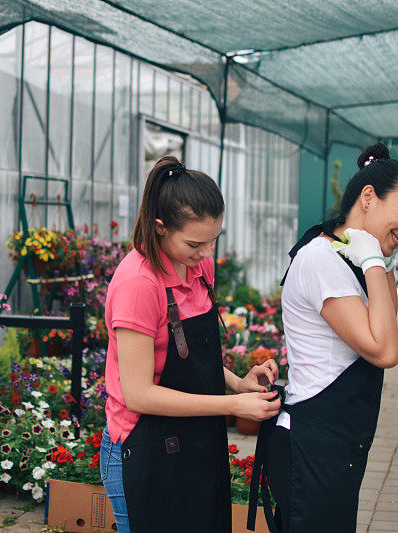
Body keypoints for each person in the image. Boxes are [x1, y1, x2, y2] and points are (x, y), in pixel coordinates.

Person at [101, 155, 281, 533]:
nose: (207, 253)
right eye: (196, 243)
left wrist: (237, 383)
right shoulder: (139, 284)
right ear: (160, 227)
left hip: (196, 440)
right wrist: (233, 405)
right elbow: (138, 394)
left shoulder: (199, 267)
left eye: (214, 239)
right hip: (144, 448)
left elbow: (187, 359)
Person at [248, 143, 398, 533]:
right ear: (368, 197)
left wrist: (382, 259)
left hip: (338, 444)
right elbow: (385, 350)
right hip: (313, 444)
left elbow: (386, 322)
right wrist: (376, 259)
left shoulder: (351, 256)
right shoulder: (321, 259)